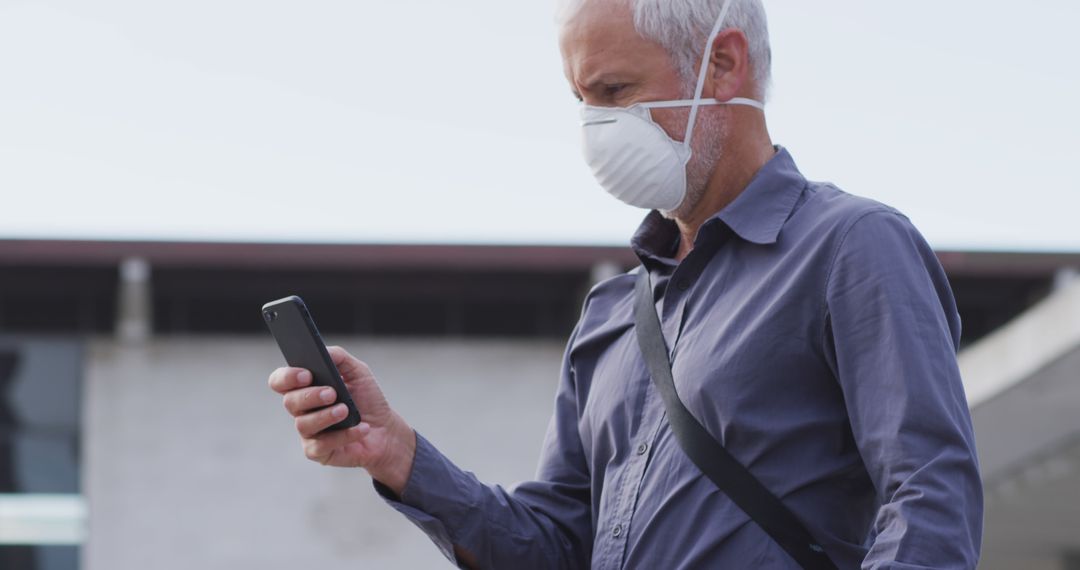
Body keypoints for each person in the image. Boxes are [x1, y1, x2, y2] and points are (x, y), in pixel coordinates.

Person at [266, 0, 984, 567]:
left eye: (615, 90)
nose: (596, 128)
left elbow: (929, 498)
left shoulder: (852, 247)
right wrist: (397, 455)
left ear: (724, 64)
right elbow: (553, 548)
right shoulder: (610, 316)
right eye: (582, 99)